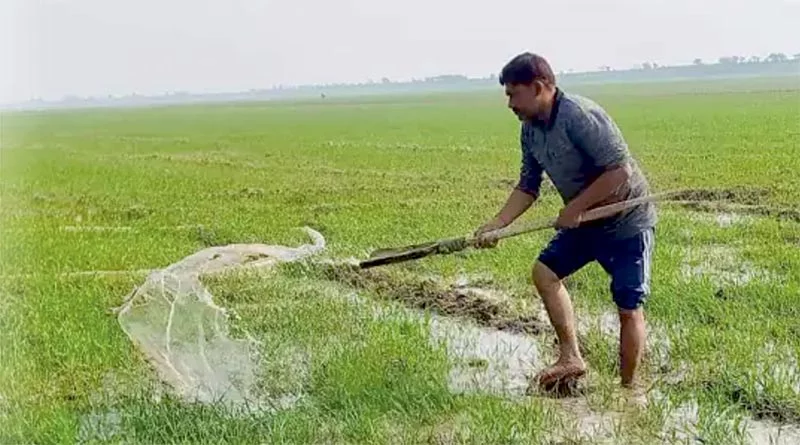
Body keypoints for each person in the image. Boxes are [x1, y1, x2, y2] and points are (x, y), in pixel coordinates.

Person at [474, 52, 657, 390]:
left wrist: (575, 208)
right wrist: (498, 222)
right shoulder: (530, 131)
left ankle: (629, 390)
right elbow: (528, 186)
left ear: (540, 87)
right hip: (585, 223)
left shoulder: (580, 116)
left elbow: (620, 172)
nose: (510, 104)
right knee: (544, 272)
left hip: (626, 221)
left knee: (628, 306)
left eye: (514, 94)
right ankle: (570, 356)